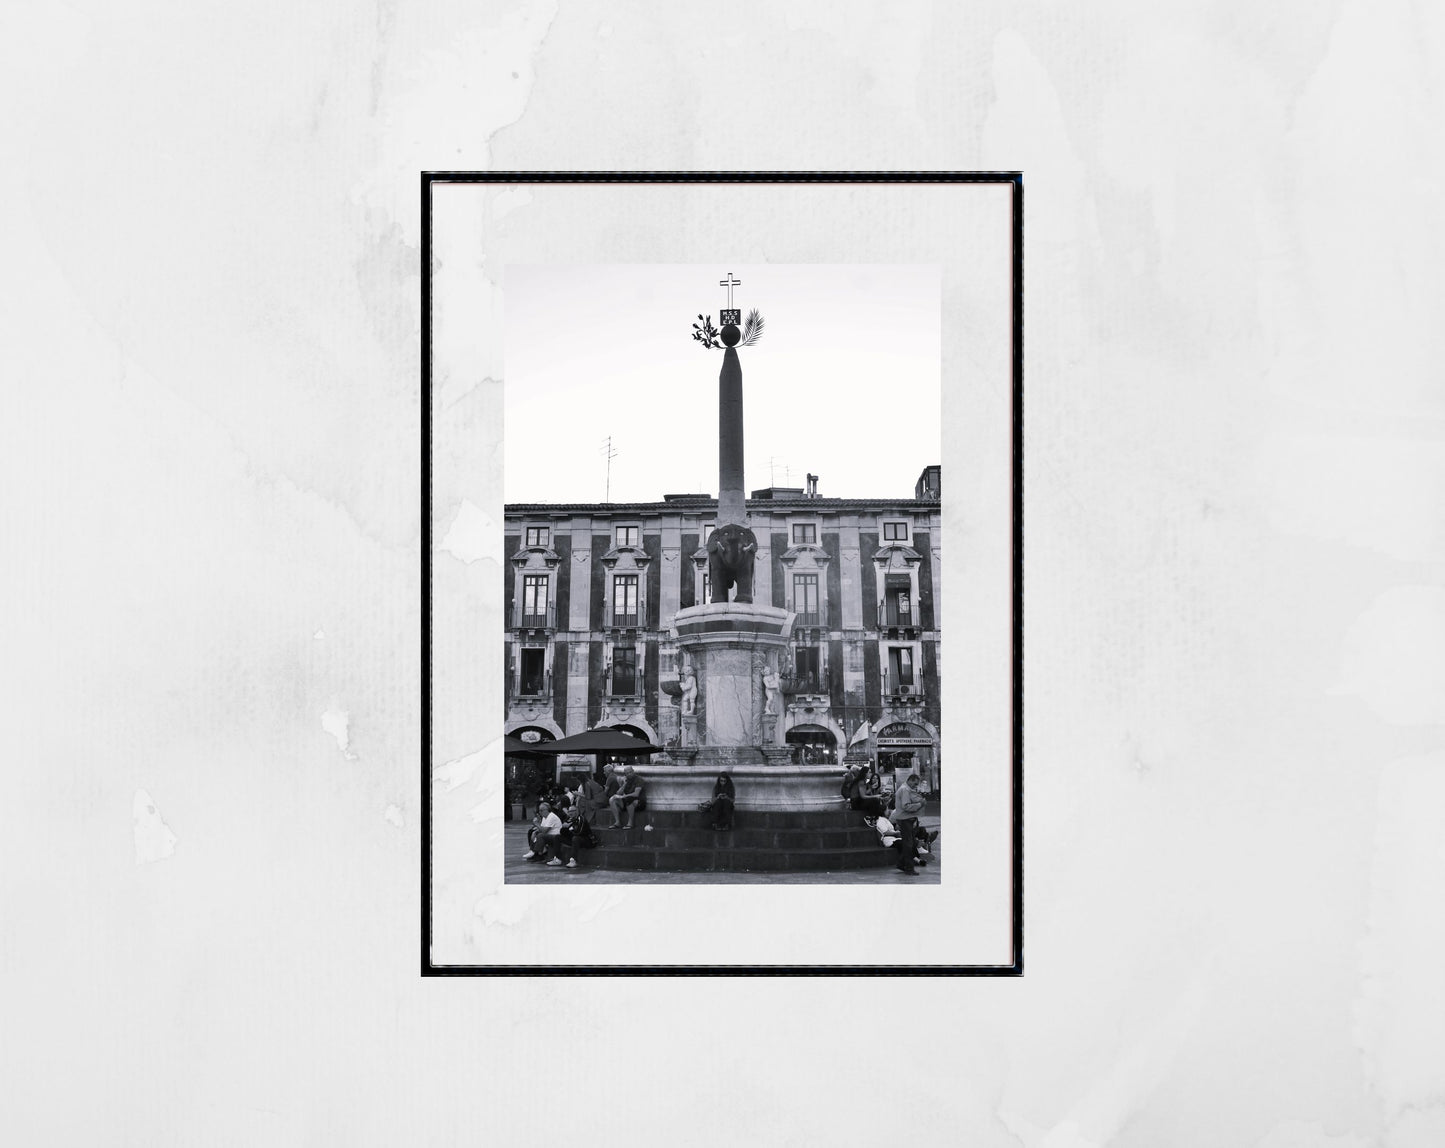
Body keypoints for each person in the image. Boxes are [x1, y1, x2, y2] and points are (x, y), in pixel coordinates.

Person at [891, 772, 926, 875]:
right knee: (908, 844)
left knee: (909, 843)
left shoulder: (905, 789)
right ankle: (909, 868)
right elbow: (906, 806)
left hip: (906, 819)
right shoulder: (905, 790)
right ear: (910, 780)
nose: (915, 786)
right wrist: (920, 804)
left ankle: (902, 864)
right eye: (915, 784)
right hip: (905, 819)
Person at [606, 764, 645, 829]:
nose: (629, 774)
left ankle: (630, 823)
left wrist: (624, 797)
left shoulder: (639, 779)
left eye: (630, 772)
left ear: (633, 771)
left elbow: (636, 794)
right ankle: (617, 822)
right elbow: (618, 793)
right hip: (627, 800)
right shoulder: (626, 780)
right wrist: (624, 784)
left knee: (629, 800)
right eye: (627, 773)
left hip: (639, 801)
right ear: (625, 774)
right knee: (612, 799)